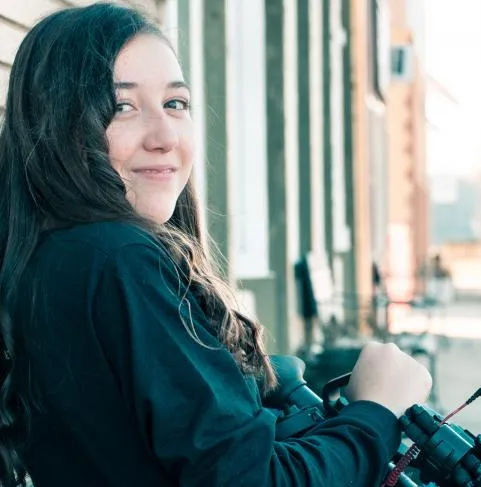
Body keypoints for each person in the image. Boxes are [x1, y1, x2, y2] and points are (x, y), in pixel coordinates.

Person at [0, 3, 432, 487]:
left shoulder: (48, 262)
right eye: (122, 106)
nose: (165, 136)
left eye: (176, 103)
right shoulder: (119, 261)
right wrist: (375, 411)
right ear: (59, 124)